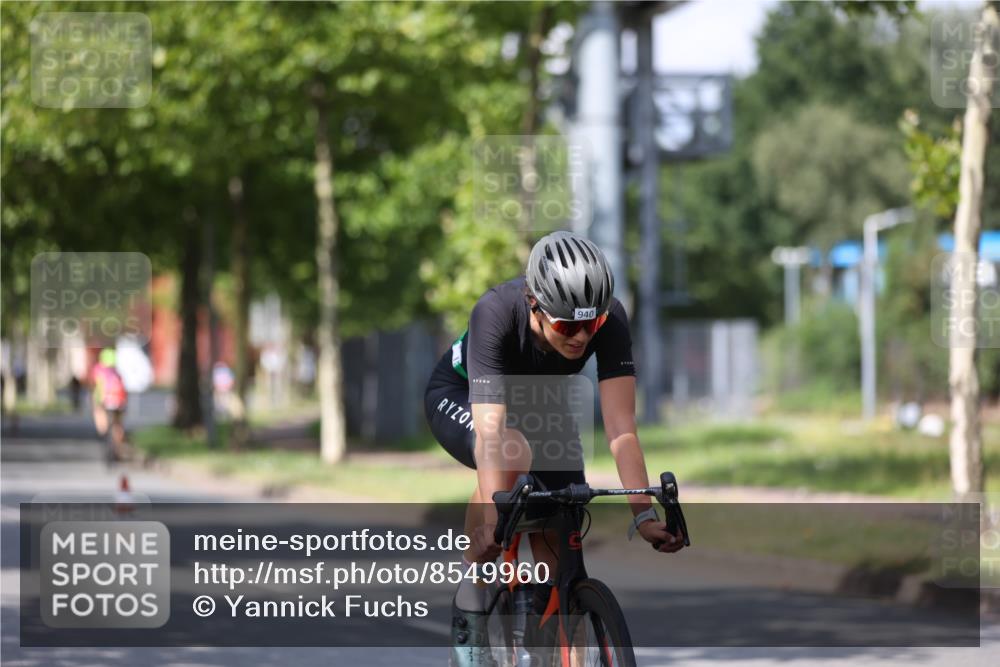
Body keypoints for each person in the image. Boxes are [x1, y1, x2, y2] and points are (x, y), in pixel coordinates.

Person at [424, 231, 686, 666]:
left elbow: (621, 427)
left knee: (562, 507)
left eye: (592, 324)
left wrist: (643, 515)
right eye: (567, 325)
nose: (582, 337)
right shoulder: (494, 312)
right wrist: (494, 519)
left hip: (540, 399)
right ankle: (474, 578)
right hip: (461, 394)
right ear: (534, 304)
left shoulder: (611, 317)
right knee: (512, 453)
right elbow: (490, 433)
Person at [91, 347, 129, 461]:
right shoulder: (117, 372)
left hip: (105, 399)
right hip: (119, 400)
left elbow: (96, 388)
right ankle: (119, 441)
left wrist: (96, 401)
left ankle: (102, 429)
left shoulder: (98, 369)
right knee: (118, 424)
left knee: (98, 410)